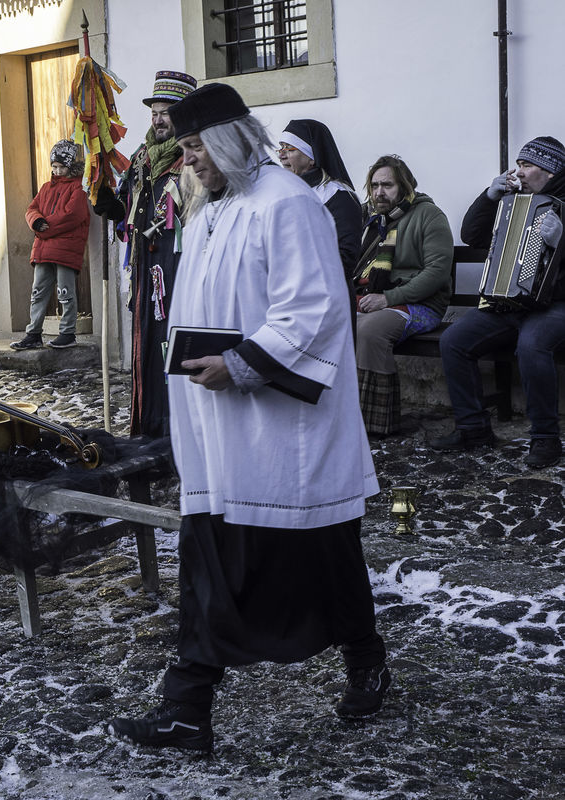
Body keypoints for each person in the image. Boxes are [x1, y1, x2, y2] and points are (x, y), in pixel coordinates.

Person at [108, 84, 388, 754]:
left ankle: (362, 661)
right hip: (218, 430)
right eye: (183, 148)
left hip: (280, 434)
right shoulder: (216, 205)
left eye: (197, 146)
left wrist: (242, 365)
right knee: (212, 562)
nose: (189, 161)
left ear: (231, 139)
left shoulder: (286, 204)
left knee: (323, 554)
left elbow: (314, 310)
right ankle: (188, 707)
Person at [431, 136, 565, 468]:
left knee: (532, 345)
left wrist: (562, 240)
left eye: (527, 165)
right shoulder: (514, 202)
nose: (518, 171)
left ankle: (546, 439)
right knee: (454, 341)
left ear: (549, 172)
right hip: (513, 303)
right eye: (519, 163)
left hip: (556, 305)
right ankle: (473, 429)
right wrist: (490, 196)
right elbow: (472, 236)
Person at [93, 69, 196, 437]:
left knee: (177, 340)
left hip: (181, 266)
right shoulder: (141, 158)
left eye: (166, 111)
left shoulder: (195, 159)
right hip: (146, 267)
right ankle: (150, 426)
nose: (157, 118)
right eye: (154, 111)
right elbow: (128, 209)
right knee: (148, 345)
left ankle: (181, 432)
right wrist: (110, 205)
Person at [353, 155, 453, 437]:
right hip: (370, 298)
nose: (379, 192)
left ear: (405, 186)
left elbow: (437, 272)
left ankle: (376, 422)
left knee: (370, 330)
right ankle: (341, 413)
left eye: (387, 185)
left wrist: (388, 298)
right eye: (374, 185)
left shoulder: (429, 215)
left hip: (420, 305)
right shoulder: (367, 217)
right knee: (332, 322)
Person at [10, 139, 90, 351]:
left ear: (72, 167)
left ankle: (67, 332)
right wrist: (37, 221)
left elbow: (72, 215)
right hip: (44, 250)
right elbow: (31, 209)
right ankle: (33, 332)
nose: (56, 171)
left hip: (65, 250)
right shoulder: (46, 188)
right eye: (54, 166)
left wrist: (46, 227)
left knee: (66, 292)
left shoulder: (78, 189)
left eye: (61, 167)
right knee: (38, 292)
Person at [277, 119, 362, 276]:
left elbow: (346, 257)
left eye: (289, 149)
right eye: (281, 148)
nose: (281, 155)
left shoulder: (339, 197)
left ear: (312, 157)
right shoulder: (284, 194)